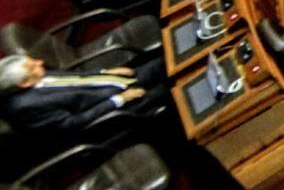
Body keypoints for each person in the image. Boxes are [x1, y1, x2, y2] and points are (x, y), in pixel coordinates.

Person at [0, 55, 165, 140]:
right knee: (171, 89)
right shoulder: (27, 108)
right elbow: (73, 123)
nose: (40, 62)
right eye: (32, 66)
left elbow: (74, 77)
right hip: (111, 110)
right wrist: (120, 100)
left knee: (162, 62)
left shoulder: (36, 76)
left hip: (110, 83)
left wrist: (104, 72)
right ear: (24, 83)